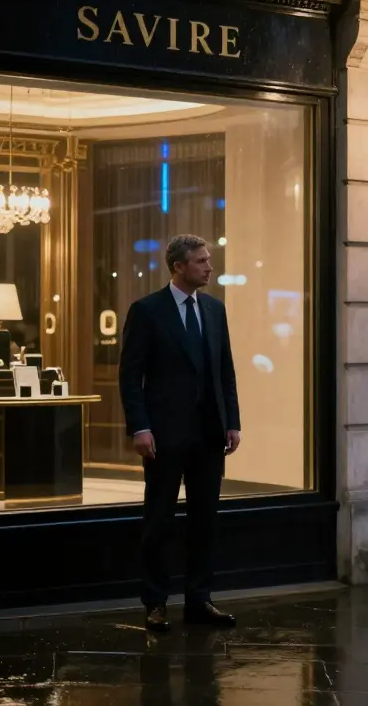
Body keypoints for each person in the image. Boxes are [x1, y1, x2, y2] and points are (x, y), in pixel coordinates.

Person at [119, 234, 241, 633]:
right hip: (164, 435)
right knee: (159, 520)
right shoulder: (147, 311)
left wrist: (232, 421)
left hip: (209, 435)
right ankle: (155, 602)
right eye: (202, 261)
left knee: (205, 520)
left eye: (209, 260)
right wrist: (140, 426)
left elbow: (225, 372)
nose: (209, 267)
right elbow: (130, 375)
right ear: (179, 267)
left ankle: (199, 599)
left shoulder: (215, 309)